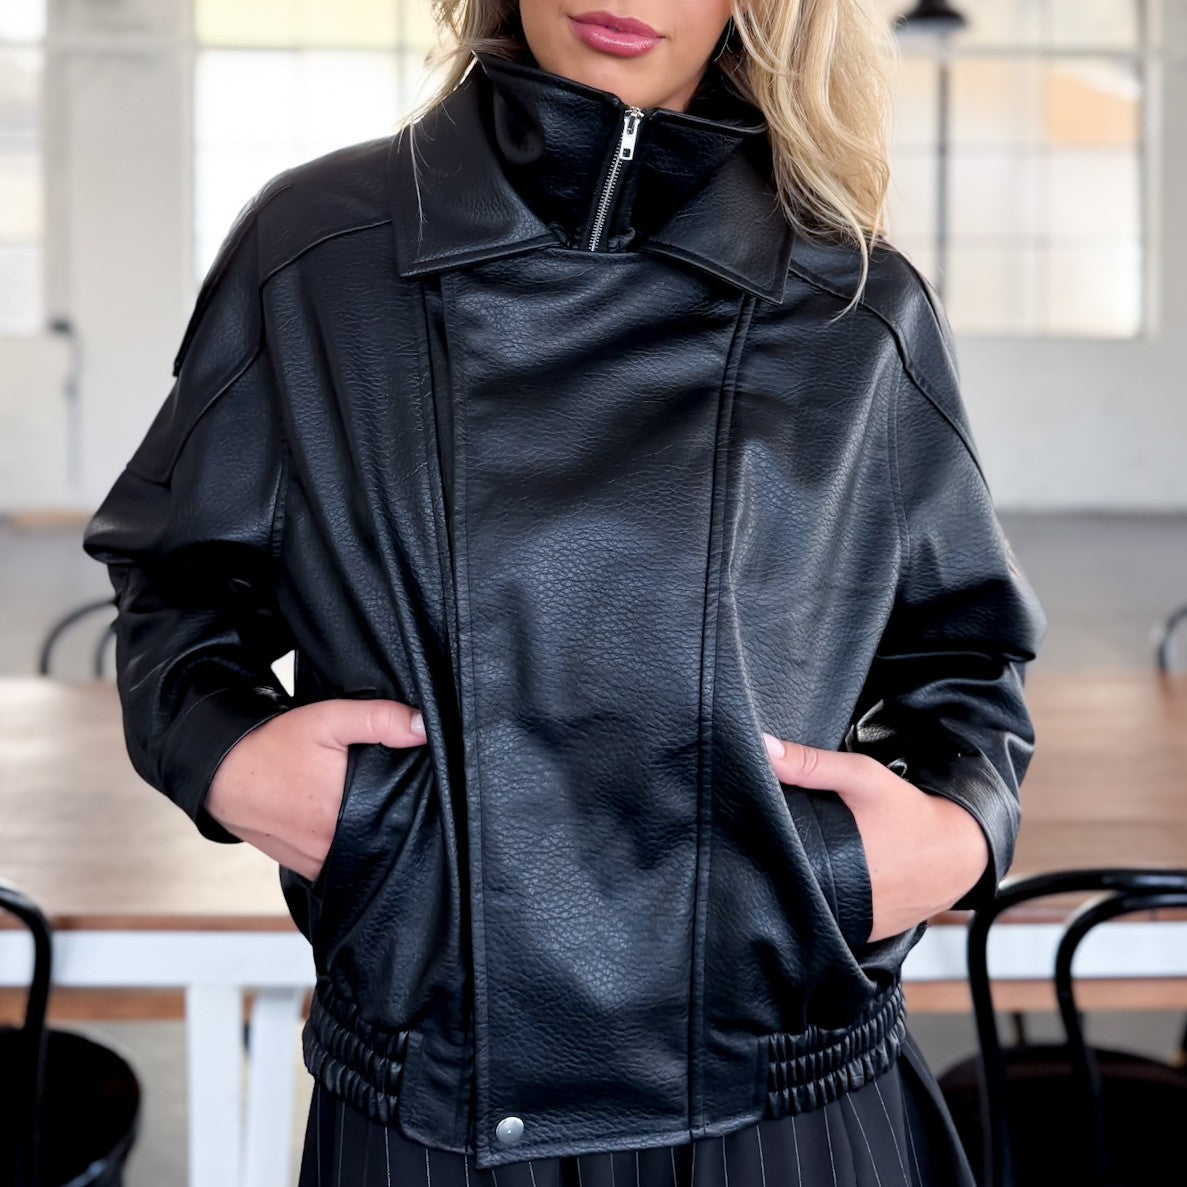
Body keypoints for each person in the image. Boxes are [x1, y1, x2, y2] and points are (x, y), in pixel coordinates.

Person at [81, 0, 1048, 1183]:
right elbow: (176, 583)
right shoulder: (318, 251)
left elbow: (962, 660)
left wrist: (944, 835)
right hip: (431, 1096)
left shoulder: (854, 298)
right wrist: (234, 759)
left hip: (777, 1092)